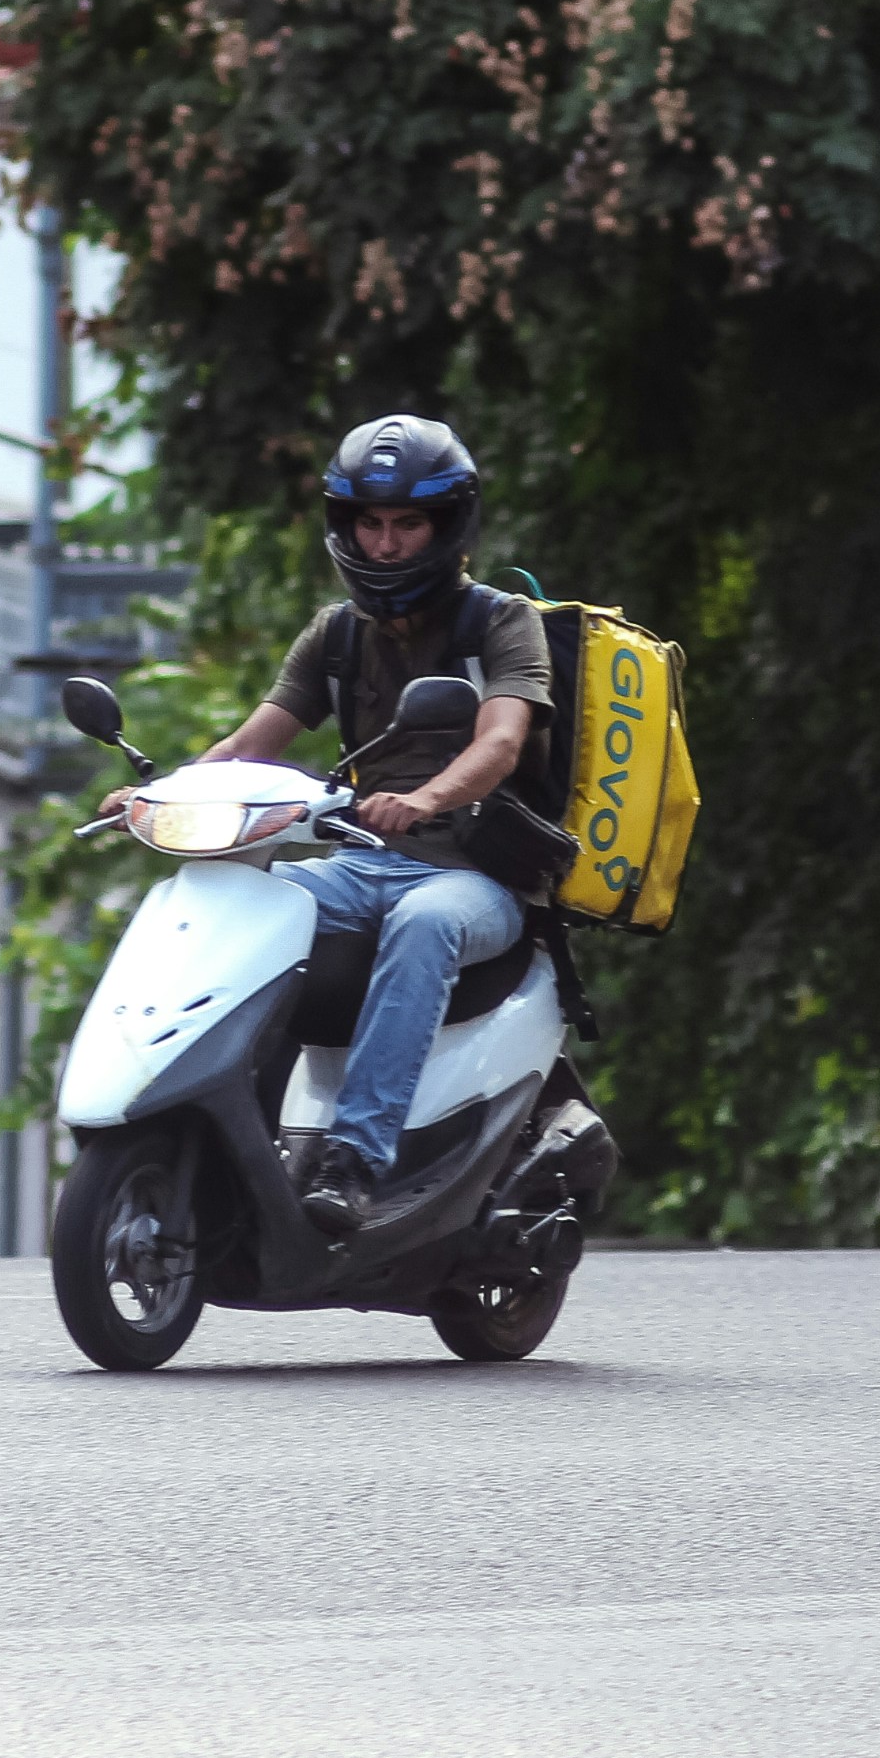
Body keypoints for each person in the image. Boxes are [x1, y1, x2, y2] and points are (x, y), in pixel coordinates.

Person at [125, 415, 552, 1240]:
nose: (387, 544)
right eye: (371, 523)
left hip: (476, 877)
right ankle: (219, 1131)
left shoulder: (501, 623)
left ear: (446, 526)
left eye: (407, 524)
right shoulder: (336, 632)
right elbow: (252, 743)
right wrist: (159, 795)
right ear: (345, 525)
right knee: (246, 904)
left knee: (424, 923)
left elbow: (500, 741)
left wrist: (426, 798)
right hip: (356, 864)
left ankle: (354, 1162)